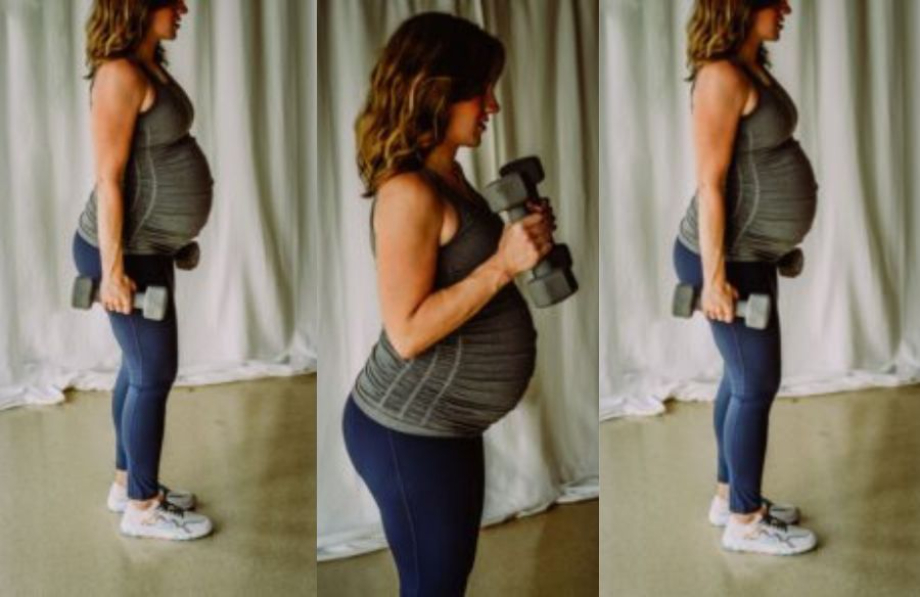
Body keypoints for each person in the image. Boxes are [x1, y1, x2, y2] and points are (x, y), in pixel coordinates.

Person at [342, 12, 556, 595]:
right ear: (435, 92)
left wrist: (523, 245)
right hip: (406, 428)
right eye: (480, 91)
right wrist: (501, 263)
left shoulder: (451, 177)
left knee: (447, 578)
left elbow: (467, 280)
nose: (493, 106)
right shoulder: (407, 193)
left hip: (447, 425)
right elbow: (408, 332)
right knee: (433, 585)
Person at [674, 0, 819, 555]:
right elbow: (710, 185)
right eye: (773, 0)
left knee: (739, 378)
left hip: (749, 253)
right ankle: (746, 522)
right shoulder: (720, 76)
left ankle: (726, 495)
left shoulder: (750, 64)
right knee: (756, 384)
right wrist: (714, 279)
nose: (786, 7)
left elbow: (753, 166)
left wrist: (776, 240)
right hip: (724, 259)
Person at [72, 0, 213, 540]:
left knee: (137, 369)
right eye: (170, 1)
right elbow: (108, 179)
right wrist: (113, 271)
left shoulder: (147, 64)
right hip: (122, 252)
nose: (183, 8)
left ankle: (125, 482)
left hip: (147, 247)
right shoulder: (118, 74)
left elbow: (149, 162)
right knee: (153, 374)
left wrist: (172, 235)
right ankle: (143, 508)